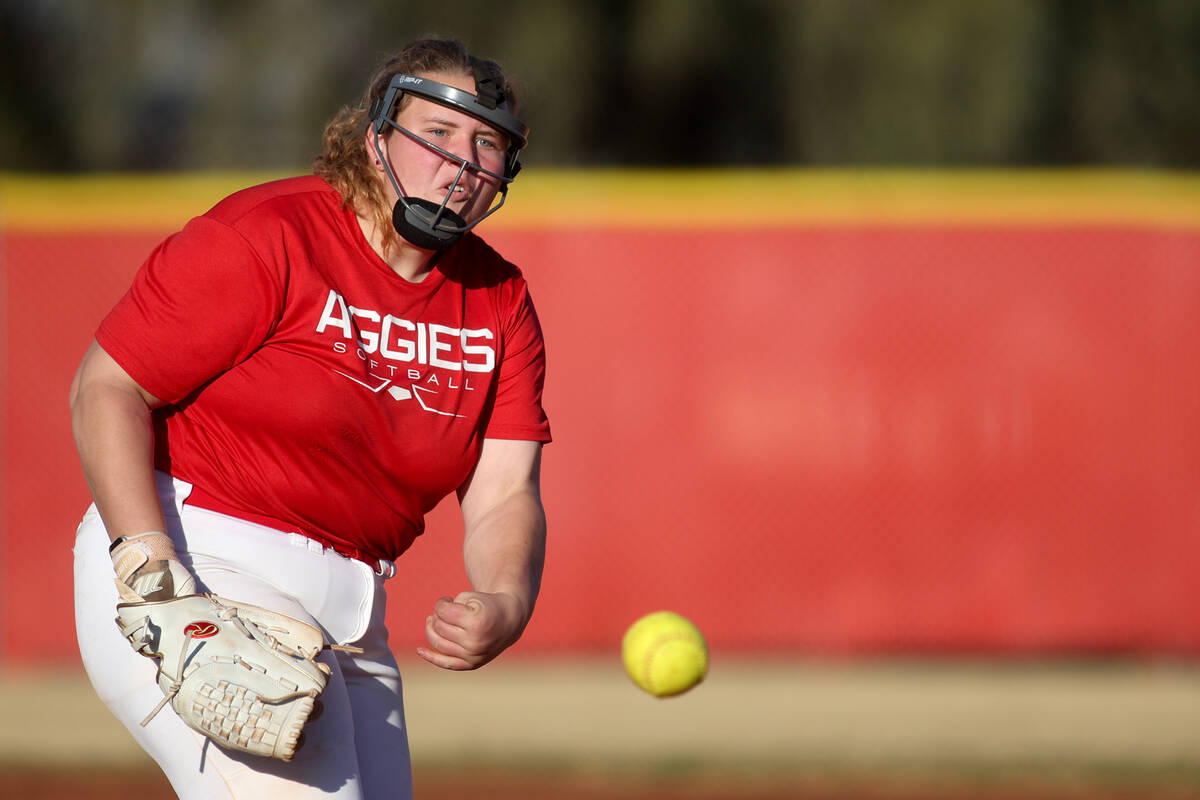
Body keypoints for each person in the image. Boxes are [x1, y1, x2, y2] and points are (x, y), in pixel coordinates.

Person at [69, 36, 550, 799]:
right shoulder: (270, 233)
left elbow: (505, 491)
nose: (463, 163)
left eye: (487, 143)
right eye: (438, 133)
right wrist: (153, 577)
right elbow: (107, 388)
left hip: (353, 621)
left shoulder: (498, 299)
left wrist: (507, 598)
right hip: (196, 567)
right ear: (375, 135)